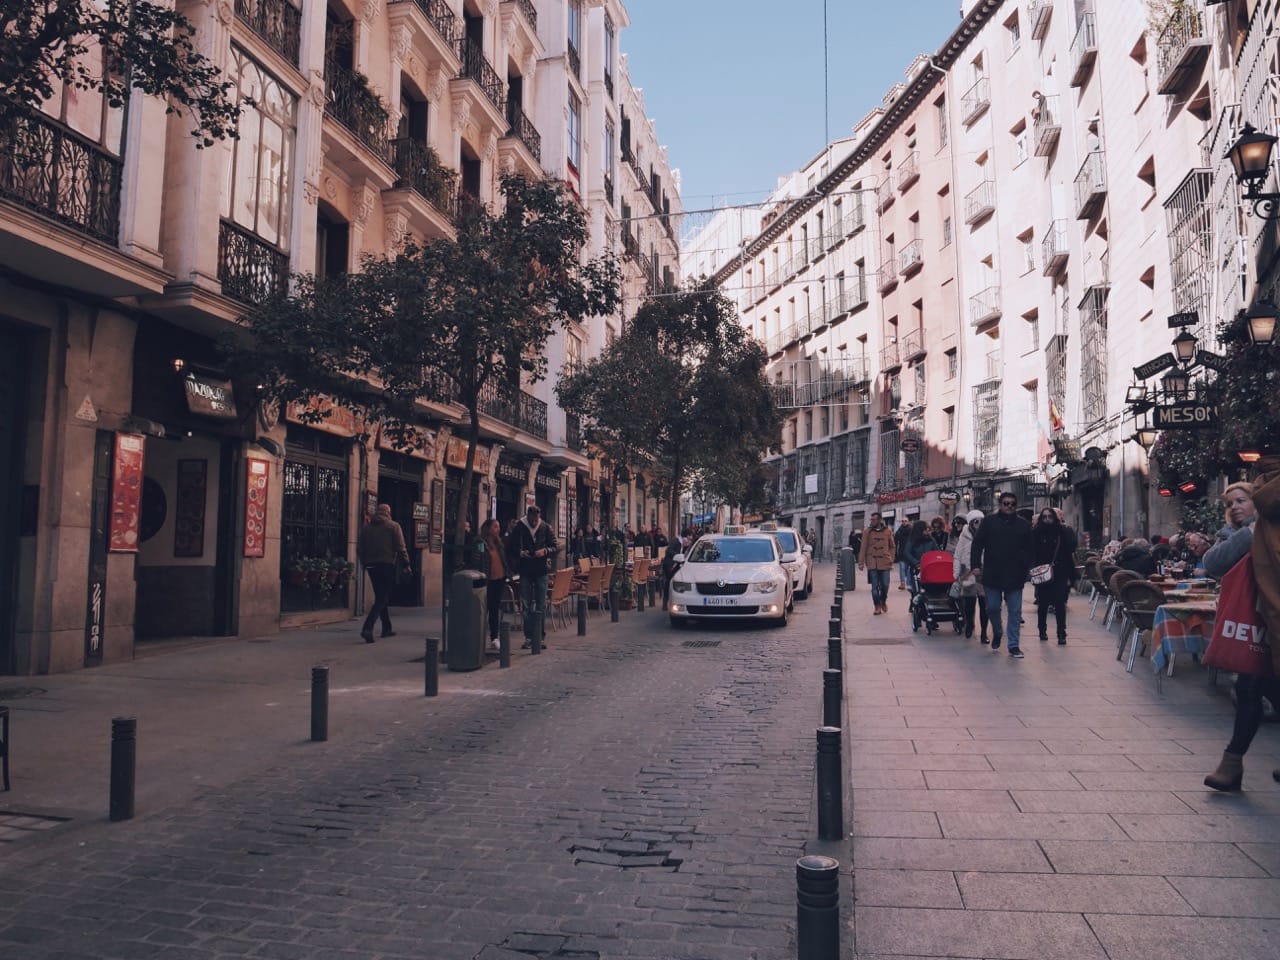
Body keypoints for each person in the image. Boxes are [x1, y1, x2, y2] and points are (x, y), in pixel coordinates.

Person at [970, 492, 1033, 657]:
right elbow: (977, 544)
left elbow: (1030, 548)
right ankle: (997, 631)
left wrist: (1027, 568)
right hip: (993, 573)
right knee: (992, 608)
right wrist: (975, 565)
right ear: (1000, 504)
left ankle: (1013, 645)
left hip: (1015, 574)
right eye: (1006, 503)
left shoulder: (1023, 525)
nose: (1009, 506)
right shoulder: (989, 522)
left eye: (1012, 504)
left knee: (1015, 612)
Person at [1250, 458, 1280, 785]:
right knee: (1250, 686)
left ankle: (1231, 762)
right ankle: (1231, 762)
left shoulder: (1261, 518)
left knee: (1250, 686)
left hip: (1267, 616)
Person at [507, 505, 559, 650]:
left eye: (536, 520)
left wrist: (545, 551)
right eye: (532, 520)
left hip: (541, 570)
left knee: (541, 605)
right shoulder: (520, 527)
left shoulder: (546, 527)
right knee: (527, 605)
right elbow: (510, 547)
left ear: (539, 516)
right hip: (525, 570)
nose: (534, 522)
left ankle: (540, 637)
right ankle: (529, 637)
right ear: (528, 516)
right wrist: (520, 553)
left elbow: (555, 547)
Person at [357, 503, 409, 644]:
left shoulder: (366, 528)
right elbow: (400, 547)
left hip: (371, 565)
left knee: (380, 595)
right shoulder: (393, 526)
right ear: (388, 512)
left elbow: (360, 548)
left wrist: (364, 562)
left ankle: (386, 627)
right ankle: (368, 627)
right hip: (386, 565)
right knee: (382, 598)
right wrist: (406, 563)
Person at [1031, 507, 1079, 645]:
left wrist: (1071, 576)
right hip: (1043, 572)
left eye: (1050, 517)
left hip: (1060, 572)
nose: (1047, 520)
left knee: (1059, 603)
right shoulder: (1036, 532)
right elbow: (1031, 552)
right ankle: (1042, 630)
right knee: (1043, 603)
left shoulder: (1062, 532)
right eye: (1044, 517)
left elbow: (1070, 549)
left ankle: (1061, 633)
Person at [952, 509, 989, 640]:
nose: (978, 523)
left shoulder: (987, 534)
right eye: (975, 521)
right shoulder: (964, 536)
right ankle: (969, 625)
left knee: (984, 604)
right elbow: (957, 556)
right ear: (971, 522)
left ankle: (984, 632)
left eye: (981, 521)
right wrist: (956, 573)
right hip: (967, 573)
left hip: (984, 573)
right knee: (969, 603)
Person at [859, 512, 897, 615]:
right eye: (871, 520)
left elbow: (892, 546)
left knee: (885, 585)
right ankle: (877, 606)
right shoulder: (867, 532)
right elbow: (863, 547)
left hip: (885, 561)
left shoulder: (887, 531)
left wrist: (891, 558)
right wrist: (861, 562)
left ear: (879, 520)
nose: (872, 521)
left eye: (874, 520)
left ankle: (883, 600)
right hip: (872, 561)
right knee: (874, 587)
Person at [480, 518, 508, 652]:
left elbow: (503, 560)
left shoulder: (499, 543)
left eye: (499, 526)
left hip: (499, 579)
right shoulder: (481, 543)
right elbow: (478, 559)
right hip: (488, 580)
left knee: (495, 609)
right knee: (485, 609)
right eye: (496, 527)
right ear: (488, 528)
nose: (498, 529)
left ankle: (494, 637)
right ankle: (480, 637)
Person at [894, 519, 913, 590]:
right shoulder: (899, 531)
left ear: (908, 522)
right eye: (902, 521)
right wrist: (895, 553)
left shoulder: (911, 531)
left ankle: (908, 583)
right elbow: (895, 542)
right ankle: (902, 583)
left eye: (905, 521)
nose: (904, 522)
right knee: (902, 568)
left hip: (909, 552)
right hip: (901, 552)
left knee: (908, 569)